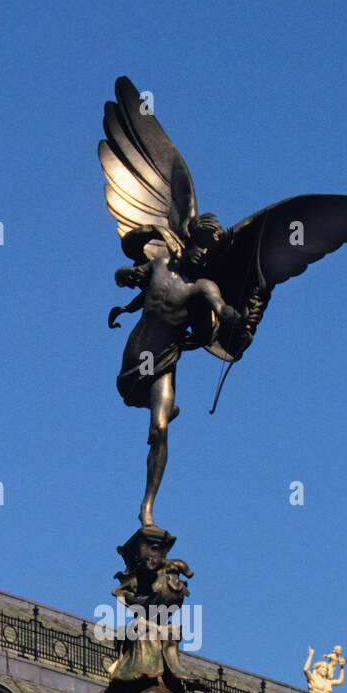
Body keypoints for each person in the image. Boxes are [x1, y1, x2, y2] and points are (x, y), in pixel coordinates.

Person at [110, 220, 252, 528]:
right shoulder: (159, 265)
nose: (202, 254)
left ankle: (146, 508)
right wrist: (146, 238)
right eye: (200, 245)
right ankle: (159, 406)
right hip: (140, 351)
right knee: (131, 394)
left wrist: (235, 320)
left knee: (159, 431)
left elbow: (221, 308)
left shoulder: (203, 287)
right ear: (188, 242)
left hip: (165, 358)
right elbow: (122, 272)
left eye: (209, 251)